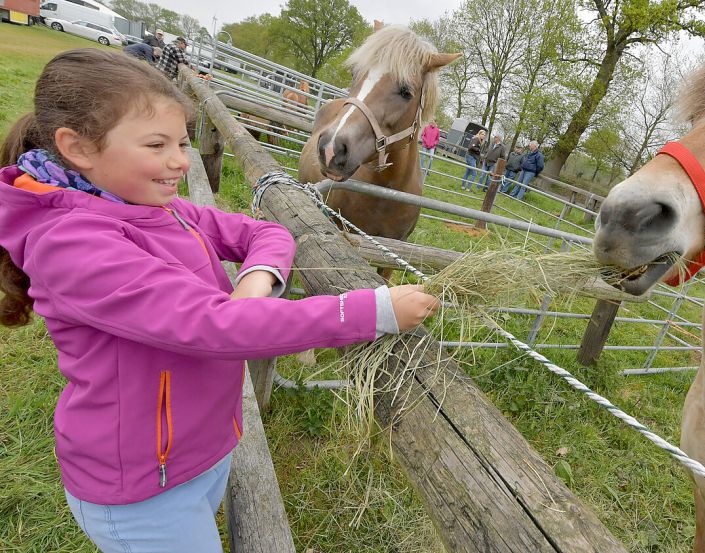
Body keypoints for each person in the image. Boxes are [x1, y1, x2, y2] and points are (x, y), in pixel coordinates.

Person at [0, 48, 439, 553]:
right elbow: (217, 328)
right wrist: (373, 311)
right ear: (78, 148)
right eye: (157, 144)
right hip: (143, 491)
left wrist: (252, 282)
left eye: (184, 142)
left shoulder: (151, 203)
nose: (180, 162)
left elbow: (266, 231)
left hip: (198, 452)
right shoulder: (72, 246)